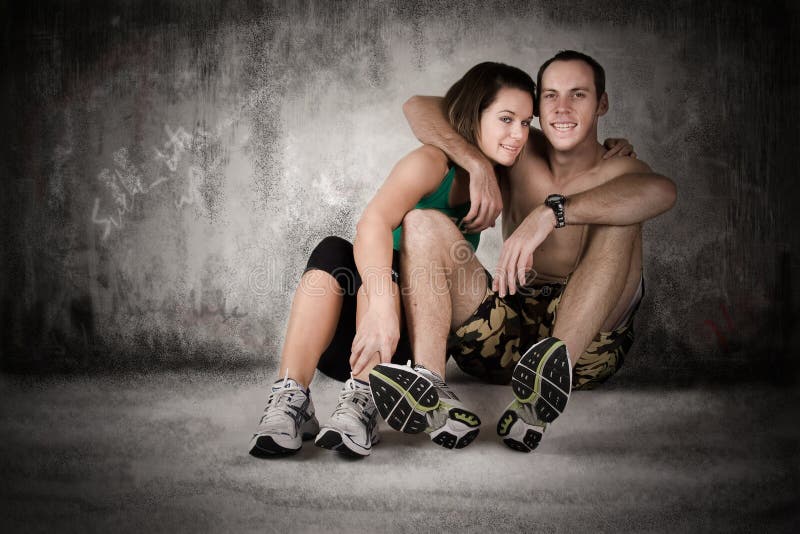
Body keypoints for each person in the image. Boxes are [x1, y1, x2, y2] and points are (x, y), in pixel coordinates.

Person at [369, 50, 677, 452]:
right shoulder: (518, 146)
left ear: (602, 103)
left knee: (622, 215)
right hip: (508, 330)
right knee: (420, 222)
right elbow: (418, 107)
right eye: (550, 95)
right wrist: (476, 164)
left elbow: (662, 191)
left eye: (578, 95)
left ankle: (543, 387)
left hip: (584, 346)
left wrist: (551, 213)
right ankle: (431, 387)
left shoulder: (623, 169)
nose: (562, 108)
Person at [248, 62, 538, 457]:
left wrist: (611, 151)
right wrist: (382, 307)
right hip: (363, 330)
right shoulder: (433, 163)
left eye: (526, 121)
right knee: (336, 251)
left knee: (396, 265)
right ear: (475, 116)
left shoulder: (510, 171)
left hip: (409, 346)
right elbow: (373, 223)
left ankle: (362, 403)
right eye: (506, 119)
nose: (518, 133)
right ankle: (290, 400)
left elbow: (568, 164)